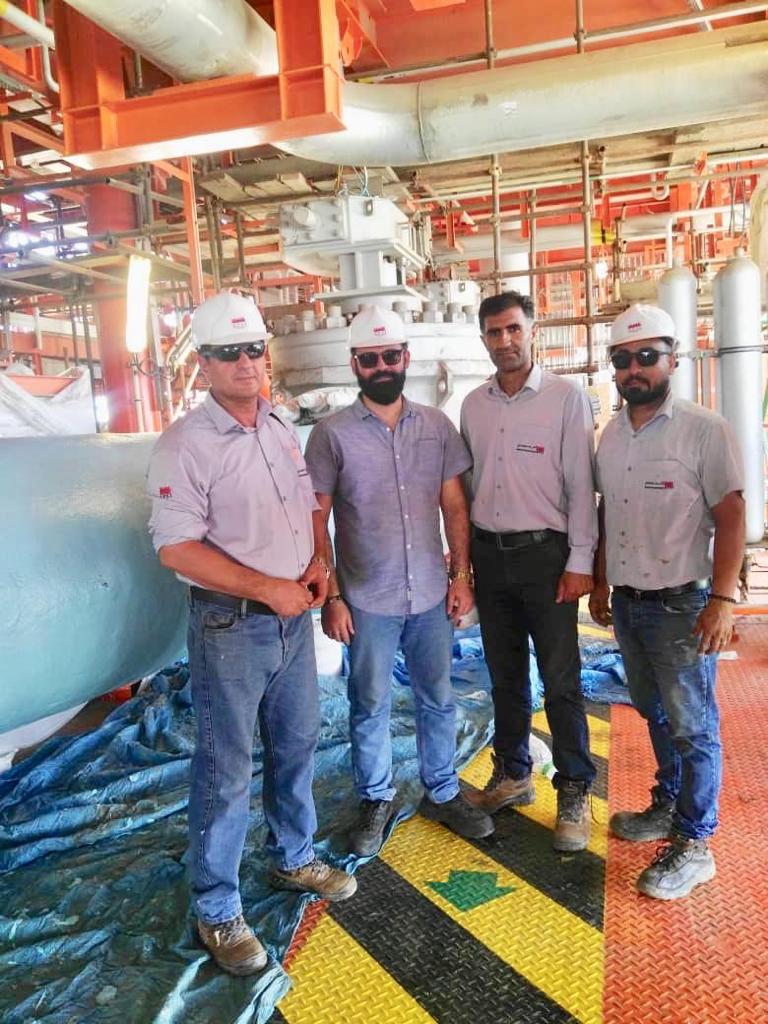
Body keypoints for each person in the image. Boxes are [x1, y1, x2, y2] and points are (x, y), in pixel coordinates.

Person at [146, 291, 356, 977]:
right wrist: (267, 587)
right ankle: (217, 908)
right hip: (230, 626)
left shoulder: (277, 427)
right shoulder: (185, 444)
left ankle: (293, 857)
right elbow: (175, 548)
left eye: (253, 349)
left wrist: (317, 565)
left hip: (292, 619)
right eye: (227, 352)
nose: (244, 362)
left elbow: (305, 511)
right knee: (226, 768)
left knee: (297, 744)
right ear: (204, 364)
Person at [304, 304, 494, 857]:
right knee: (370, 703)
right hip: (367, 599)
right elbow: (317, 519)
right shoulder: (331, 435)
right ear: (355, 365)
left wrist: (461, 577)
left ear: (406, 358)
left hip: (431, 594)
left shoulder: (436, 427)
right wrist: (332, 596)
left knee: (438, 697)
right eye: (370, 359)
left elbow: (454, 507)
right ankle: (375, 798)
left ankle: (442, 789)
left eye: (391, 356)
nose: (382, 366)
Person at [590, 303, 745, 900]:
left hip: (683, 605)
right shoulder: (611, 436)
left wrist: (723, 599)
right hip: (630, 603)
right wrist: (601, 582)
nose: (635, 369)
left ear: (672, 359)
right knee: (653, 711)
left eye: (647, 356)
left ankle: (696, 842)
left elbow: (731, 516)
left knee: (694, 726)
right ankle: (669, 802)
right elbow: (609, 515)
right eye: (623, 359)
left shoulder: (704, 430)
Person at [460, 290, 597, 852]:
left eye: (513, 329)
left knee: (561, 680)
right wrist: (465, 565)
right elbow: (467, 488)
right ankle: (514, 773)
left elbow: (582, 488)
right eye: (494, 332)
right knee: (504, 675)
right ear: (484, 339)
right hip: (490, 557)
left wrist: (581, 562)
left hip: (547, 557)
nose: (505, 341)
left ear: (532, 330)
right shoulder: (473, 405)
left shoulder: (566, 399)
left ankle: (575, 789)